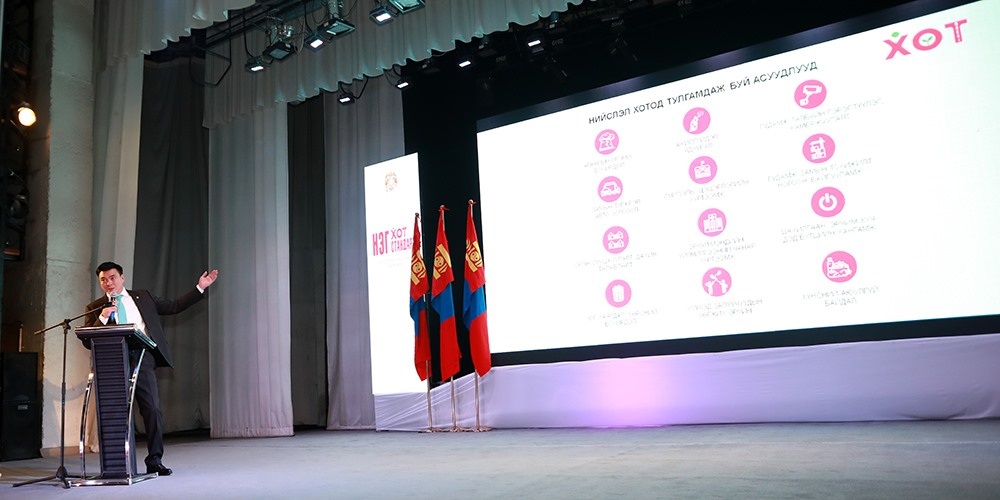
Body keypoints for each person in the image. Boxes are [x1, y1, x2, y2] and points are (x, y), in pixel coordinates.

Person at [82, 261, 219, 476]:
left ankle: (154, 460)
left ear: (122, 278)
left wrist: (199, 288)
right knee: (115, 412)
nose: (108, 283)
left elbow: (173, 306)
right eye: (103, 280)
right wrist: (103, 316)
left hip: (142, 357)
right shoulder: (95, 307)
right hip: (112, 361)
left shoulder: (142, 297)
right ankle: (117, 465)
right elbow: (87, 339)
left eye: (112, 278)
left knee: (152, 409)